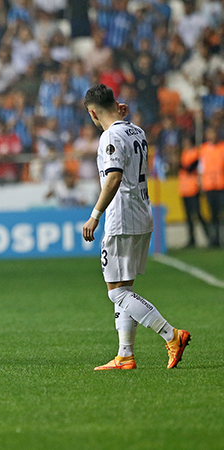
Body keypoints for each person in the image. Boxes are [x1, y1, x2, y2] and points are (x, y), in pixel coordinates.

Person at [81, 84, 190, 371]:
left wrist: (95, 215)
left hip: (122, 217)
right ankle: (125, 355)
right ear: (116, 104)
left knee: (116, 293)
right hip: (142, 212)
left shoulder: (110, 137)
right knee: (125, 287)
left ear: (92, 112)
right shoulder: (135, 130)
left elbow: (114, 178)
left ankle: (171, 335)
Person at [177, 135, 210, 248]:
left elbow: (190, 168)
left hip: (193, 188)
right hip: (184, 189)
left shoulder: (196, 153)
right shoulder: (184, 153)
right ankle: (192, 239)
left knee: (197, 214)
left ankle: (209, 236)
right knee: (188, 216)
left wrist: (183, 166)